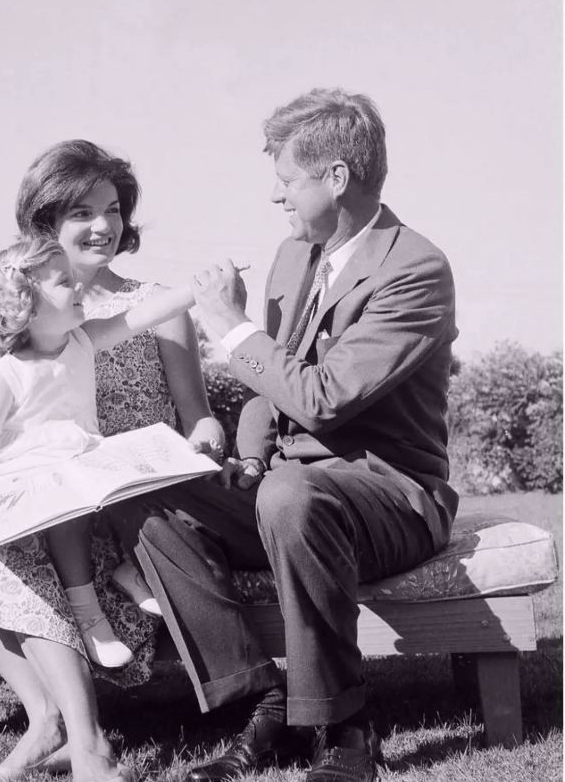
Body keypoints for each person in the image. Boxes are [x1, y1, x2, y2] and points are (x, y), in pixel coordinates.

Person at [108, 89, 458, 782]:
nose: (276, 197)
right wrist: (246, 456)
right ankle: (264, 699)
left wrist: (229, 326)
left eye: (286, 179)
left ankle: (340, 726)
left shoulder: (414, 270)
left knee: (291, 495)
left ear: (336, 177)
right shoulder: (294, 256)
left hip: (392, 494)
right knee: (140, 490)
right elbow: (271, 387)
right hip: (286, 489)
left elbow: (322, 399)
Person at [0, 140, 224, 782]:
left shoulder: (120, 313)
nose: (105, 225)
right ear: (45, 227)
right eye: (82, 211)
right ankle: (49, 723)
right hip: (45, 492)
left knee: (3, 556)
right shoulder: (32, 322)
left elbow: (196, 411)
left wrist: (206, 436)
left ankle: (78, 740)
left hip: (129, 501)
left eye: (113, 208)